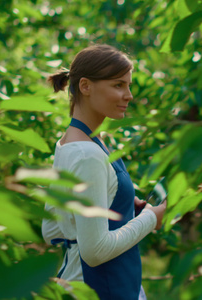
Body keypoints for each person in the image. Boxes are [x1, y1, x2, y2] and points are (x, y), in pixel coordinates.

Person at [41, 44, 167, 300]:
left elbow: (51, 229)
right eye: (118, 85)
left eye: (128, 85)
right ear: (86, 87)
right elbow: (95, 251)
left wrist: (121, 206)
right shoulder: (88, 155)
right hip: (100, 291)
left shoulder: (72, 142)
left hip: (111, 284)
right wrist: (152, 217)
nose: (129, 95)